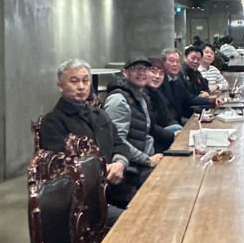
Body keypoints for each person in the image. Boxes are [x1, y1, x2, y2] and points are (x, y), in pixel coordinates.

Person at [39, 59, 132, 224]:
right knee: (133, 222)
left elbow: (120, 144)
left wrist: (120, 163)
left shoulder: (99, 114)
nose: (81, 86)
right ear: (60, 86)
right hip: (84, 201)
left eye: (85, 81)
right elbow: (62, 166)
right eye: (74, 81)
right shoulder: (52, 122)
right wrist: (102, 170)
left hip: (115, 189)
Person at [104, 56, 163, 186]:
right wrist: (147, 160)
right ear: (125, 72)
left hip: (145, 161)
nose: (141, 72)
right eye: (135, 68)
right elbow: (118, 141)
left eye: (145, 69)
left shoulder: (141, 97)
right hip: (131, 170)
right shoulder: (118, 100)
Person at [160, 48, 216, 122]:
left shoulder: (177, 81)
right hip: (170, 122)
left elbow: (189, 98)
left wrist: (210, 100)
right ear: (163, 63)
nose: (175, 64)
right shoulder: (160, 81)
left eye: (178, 61)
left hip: (178, 119)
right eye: (172, 61)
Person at [144, 58, 182, 152]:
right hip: (150, 141)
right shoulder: (142, 95)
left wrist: (178, 131)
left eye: (161, 73)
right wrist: (172, 136)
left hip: (162, 135)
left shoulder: (157, 93)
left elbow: (168, 116)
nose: (157, 76)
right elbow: (150, 127)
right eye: (153, 72)